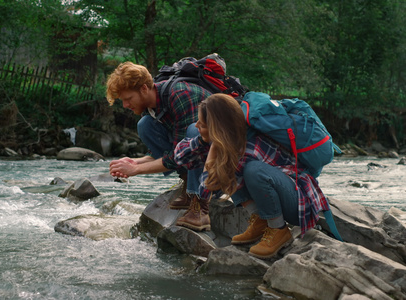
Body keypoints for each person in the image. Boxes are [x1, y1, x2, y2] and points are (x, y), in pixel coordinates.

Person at [173, 93, 330, 258]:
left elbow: (207, 187)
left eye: (202, 124)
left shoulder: (248, 147)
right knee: (227, 169)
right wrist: (202, 141)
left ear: (217, 129)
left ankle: (278, 230)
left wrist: (211, 155)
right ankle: (260, 220)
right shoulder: (228, 141)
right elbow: (179, 157)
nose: (196, 125)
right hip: (281, 195)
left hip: (298, 204)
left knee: (251, 170)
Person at [106, 61, 212, 211]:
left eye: (128, 99)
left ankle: (199, 203)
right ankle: (188, 183)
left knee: (193, 131)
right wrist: (134, 162)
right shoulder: (151, 107)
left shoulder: (181, 95)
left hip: (223, 161)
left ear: (143, 89)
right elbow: (170, 152)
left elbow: (183, 153)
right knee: (145, 124)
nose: (125, 105)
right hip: (198, 155)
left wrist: (136, 170)